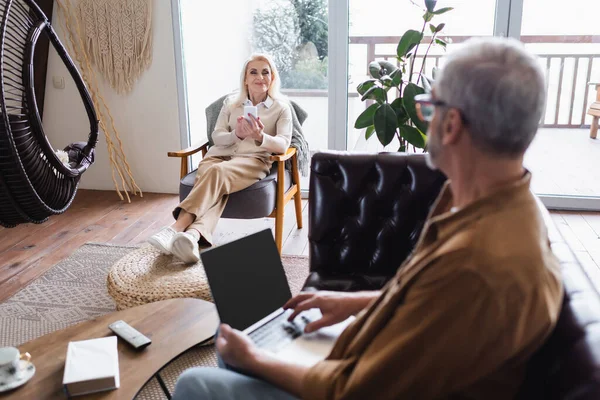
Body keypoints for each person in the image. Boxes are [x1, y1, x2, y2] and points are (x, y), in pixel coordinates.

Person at [172, 37, 564, 399]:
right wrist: (354, 303)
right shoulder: (499, 205)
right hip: (372, 345)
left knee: (200, 379)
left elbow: (350, 389)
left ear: (452, 124)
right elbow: (432, 301)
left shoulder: (478, 264)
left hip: (358, 381)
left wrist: (255, 360)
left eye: (429, 107)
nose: (424, 120)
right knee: (251, 333)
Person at [148, 54, 293, 263]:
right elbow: (217, 136)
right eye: (254, 72)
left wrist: (260, 136)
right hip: (219, 156)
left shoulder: (281, 107)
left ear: (272, 78)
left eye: (265, 72)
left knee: (215, 174)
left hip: (252, 161)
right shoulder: (231, 103)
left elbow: (283, 144)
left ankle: (175, 228)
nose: (260, 77)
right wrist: (238, 135)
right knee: (216, 182)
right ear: (245, 78)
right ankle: (192, 236)